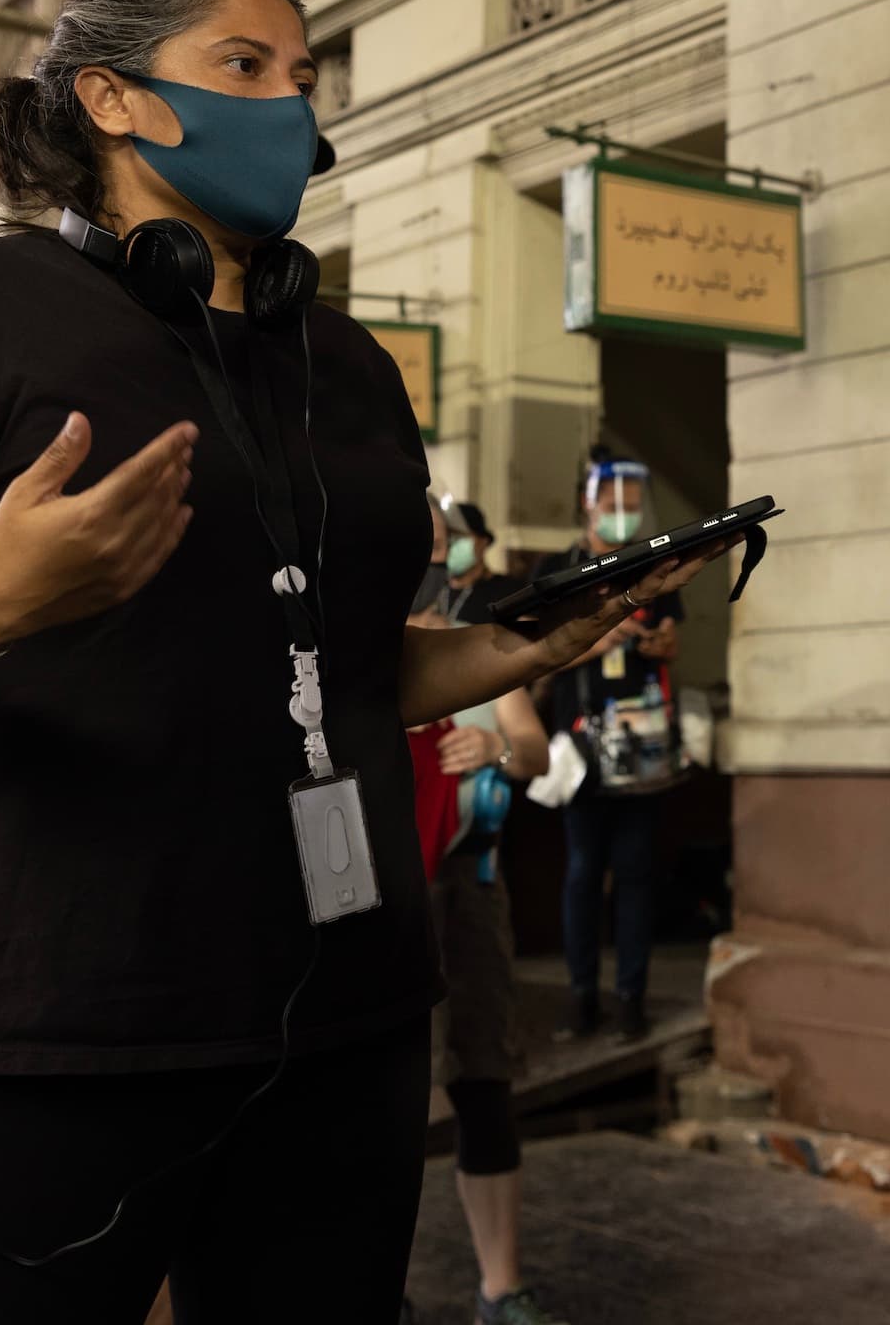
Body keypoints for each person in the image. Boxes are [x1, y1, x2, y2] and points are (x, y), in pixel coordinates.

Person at [0, 0, 725, 1324]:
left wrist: (518, 650)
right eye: (243, 66)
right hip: (51, 1019)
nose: (291, 105)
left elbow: (337, 671)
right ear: (112, 98)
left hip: (344, 1017)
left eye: (304, 76)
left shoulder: (347, 363)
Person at [402, 500, 566, 1325]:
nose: (436, 561)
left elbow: (532, 748)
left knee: (483, 1080)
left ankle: (502, 1288)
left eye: (443, 545)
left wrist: (495, 747)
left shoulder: (476, 648)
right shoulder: (356, 652)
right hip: (386, 894)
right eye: (424, 544)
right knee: (385, 1095)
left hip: (470, 886)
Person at [543, 451, 682, 1047]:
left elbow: (673, 638)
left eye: (632, 505)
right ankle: (581, 997)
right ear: (588, 504)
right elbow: (535, 657)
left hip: (642, 744)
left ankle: (631, 999)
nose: (623, 514)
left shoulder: (654, 566)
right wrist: (595, 643)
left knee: (635, 874)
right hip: (580, 746)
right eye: (612, 504)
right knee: (581, 874)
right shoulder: (559, 570)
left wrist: (660, 642)